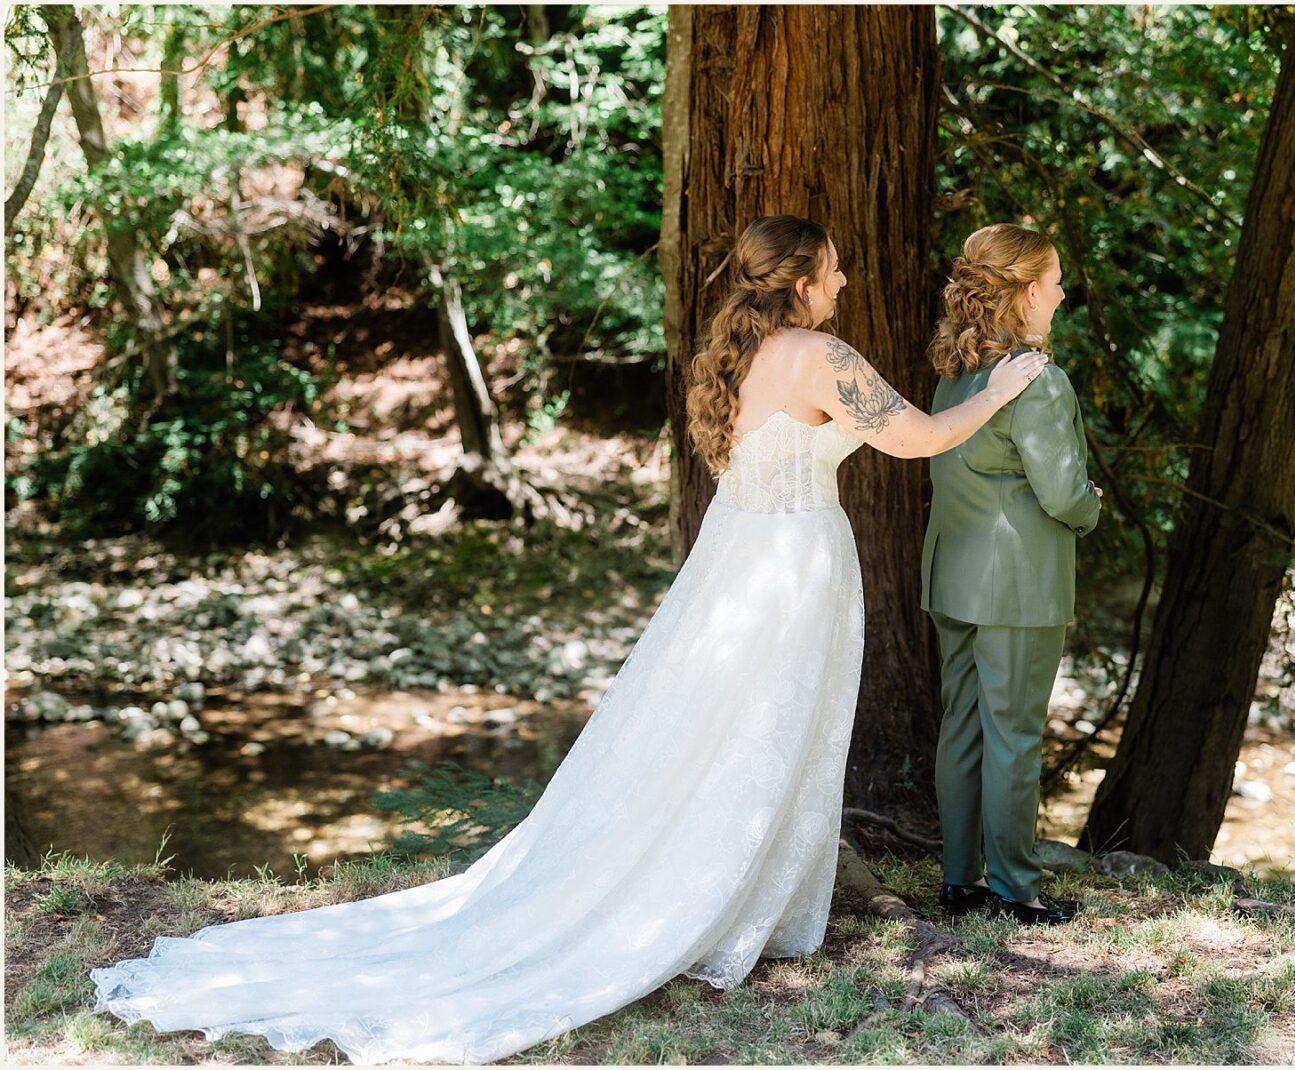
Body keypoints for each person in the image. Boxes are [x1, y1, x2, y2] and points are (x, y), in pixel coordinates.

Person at [88, 215, 1049, 1065]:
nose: (843, 280)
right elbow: (917, 438)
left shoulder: (743, 352)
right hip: (789, 566)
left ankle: (737, 891)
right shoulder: (820, 355)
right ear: (800, 281)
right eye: (833, 268)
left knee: (720, 728)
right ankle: (719, 902)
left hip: (739, 558)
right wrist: (998, 390)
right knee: (764, 728)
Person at [921, 223, 1104, 926]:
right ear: (1028, 292)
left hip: (952, 573)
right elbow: (1063, 493)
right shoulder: (1035, 380)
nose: (1060, 295)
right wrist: (1091, 507)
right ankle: (1016, 891)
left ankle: (960, 880)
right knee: (1014, 736)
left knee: (963, 727)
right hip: (1018, 583)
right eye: (1054, 284)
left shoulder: (956, 374)